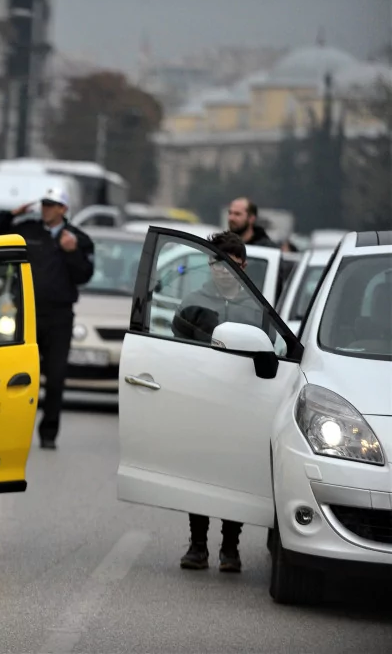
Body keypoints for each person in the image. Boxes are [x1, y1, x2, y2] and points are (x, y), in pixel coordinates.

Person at [172, 231, 259, 572]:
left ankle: (230, 548)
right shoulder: (193, 301)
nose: (223, 270)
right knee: (201, 472)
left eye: (231, 264)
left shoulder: (256, 306)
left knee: (234, 474)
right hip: (202, 400)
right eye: (217, 263)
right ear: (209, 265)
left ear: (244, 265)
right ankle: (197, 546)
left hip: (243, 403)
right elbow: (176, 348)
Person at [0, 187, 94, 450]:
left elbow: (84, 275)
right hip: (26, 315)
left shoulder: (78, 239)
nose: (46, 208)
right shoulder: (28, 230)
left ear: (63, 210)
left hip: (59, 318)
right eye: (44, 203)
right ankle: (13, 431)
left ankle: (48, 433)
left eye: (52, 204)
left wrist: (72, 252)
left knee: (55, 378)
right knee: (19, 377)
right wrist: (10, 214)